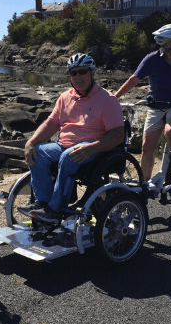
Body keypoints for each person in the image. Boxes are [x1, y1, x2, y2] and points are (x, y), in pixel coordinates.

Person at [18, 53, 125, 224]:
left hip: (94, 148)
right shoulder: (65, 97)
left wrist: (92, 147)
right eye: (73, 73)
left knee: (69, 156)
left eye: (82, 72)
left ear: (92, 73)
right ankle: (42, 204)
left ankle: (55, 209)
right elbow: (51, 123)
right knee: (37, 152)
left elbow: (118, 135)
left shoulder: (107, 100)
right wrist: (31, 142)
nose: (77, 77)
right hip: (64, 145)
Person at [114, 24, 171, 184]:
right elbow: (134, 80)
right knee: (146, 147)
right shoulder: (151, 59)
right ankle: (144, 185)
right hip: (156, 106)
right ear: (169, 44)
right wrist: (114, 97)